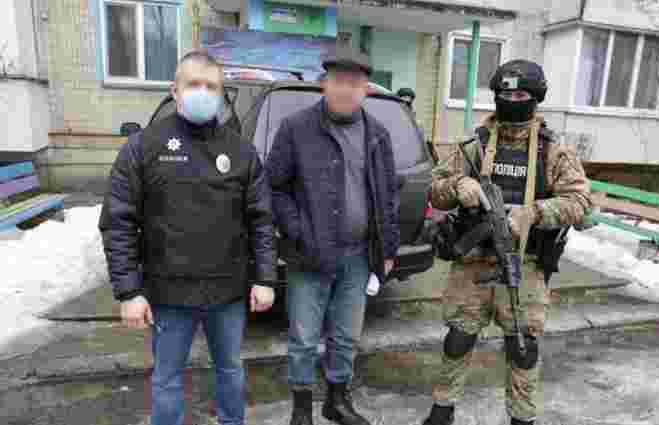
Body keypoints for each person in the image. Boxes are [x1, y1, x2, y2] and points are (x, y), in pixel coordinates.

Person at [99, 50, 277, 425]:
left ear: (222, 94)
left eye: (211, 86)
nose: (202, 92)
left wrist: (264, 278)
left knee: (230, 370)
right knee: (167, 378)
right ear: (175, 90)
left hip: (226, 294)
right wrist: (129, 291)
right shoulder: (144, 147)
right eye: (193, 84)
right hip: (169, 294)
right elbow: (118, 221)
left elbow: (261, 220)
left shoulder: (241, 152)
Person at [421, 59, 592, 425]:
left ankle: (522, 417)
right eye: (506, 95)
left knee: (523, 349)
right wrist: (458, 185)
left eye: (521, 95)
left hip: (524, 267)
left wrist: (536, 213)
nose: (512, 101)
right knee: (457, 340)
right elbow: (433, 190)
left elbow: (581, 203)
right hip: (472, 266)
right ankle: (442, 410)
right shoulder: (474, 146)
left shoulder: (554, 151)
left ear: (536, 98)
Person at [267, 46, 400, 425]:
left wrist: (388, 249)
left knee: (346, 336)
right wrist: (298, 230)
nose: (345, 89)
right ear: (324, 83)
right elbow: (273, 188)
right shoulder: (296, 128)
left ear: (366, 89)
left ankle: (337, 401)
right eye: (338, 81)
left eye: (354, 83)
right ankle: (301, 411)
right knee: (304, 338)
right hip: (310, 254)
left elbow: (387, 195)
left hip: (359, 256)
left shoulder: (377, 134)